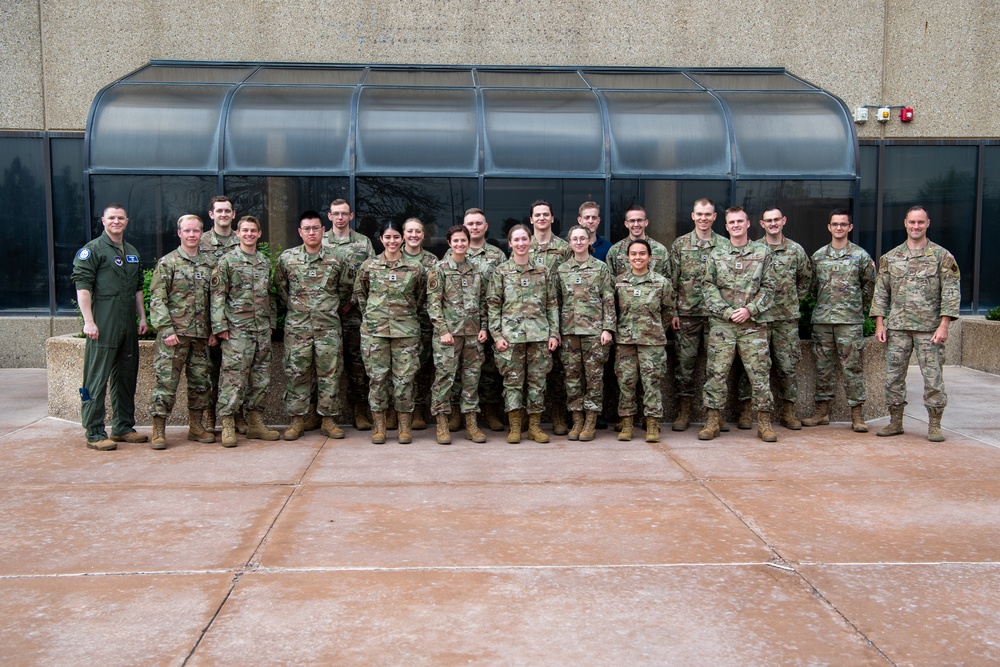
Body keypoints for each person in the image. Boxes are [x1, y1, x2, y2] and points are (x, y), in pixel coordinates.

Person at [871, 205, 961, 441]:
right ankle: (895, 422)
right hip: (897, 328)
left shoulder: (942, 256)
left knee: (933, 378)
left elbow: (950, 292)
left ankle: (934, 424)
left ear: (928, 223)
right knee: (893, 377)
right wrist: (880, 323)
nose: (916, 226)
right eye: (912, 222)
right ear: (905, 223)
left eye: (920, 222)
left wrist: (944, 325)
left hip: (929, 329)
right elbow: (881, 292)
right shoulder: (890, 258)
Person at [72, 203, 149, 450]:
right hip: (103, 322)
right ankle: (94, 432)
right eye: (112, 218)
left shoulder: (132, 251)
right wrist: (89, 321)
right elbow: (83, 288)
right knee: (96, 377)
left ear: (127, 221)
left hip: (127, 323)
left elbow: (138, 289)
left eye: (121, 218)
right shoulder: (92, 250)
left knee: (126, 376)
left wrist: (143, 318)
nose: (117, 221)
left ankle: (123, 427)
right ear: (103, 221)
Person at [699, 206, 778, 442]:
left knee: (760, 375)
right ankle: (712, 420)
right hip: (723, 326)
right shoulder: (717, 254)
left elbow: (770, 287)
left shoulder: (763, 253)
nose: (735, 225)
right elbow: (708, 286)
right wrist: (726, 312)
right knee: (715, 373)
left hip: (752, 325)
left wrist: (749, 310)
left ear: (748, 224)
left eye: (739, 221)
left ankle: (764, 423)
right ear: (726, 226)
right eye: (731, 222)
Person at [274, 210, 351, 441]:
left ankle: (328, 420)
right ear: (300, 232)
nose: (311, 232)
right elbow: (280, 289)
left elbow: (346, 289)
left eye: (315, 228)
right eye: (306, 228)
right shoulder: (287, 259)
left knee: (330, 373)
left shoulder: (337, 258)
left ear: (323, 230)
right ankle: (297, 420)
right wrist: (299, 309)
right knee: (297, 373)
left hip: (328, 327)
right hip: (298, 329)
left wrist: (329, 309)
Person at [735, 206, 811, 430]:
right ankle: (747, 411)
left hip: (785, 319)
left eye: (777, 219)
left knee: (787, 367)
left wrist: (790, 302)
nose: (773, 223)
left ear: (784, 221)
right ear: (762, 224)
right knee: (751, 367)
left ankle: (788, 411)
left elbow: (806, 281)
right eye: (769, 220)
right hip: (757, 319)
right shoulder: (755, 249)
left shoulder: (796, 250)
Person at [147, 214, 218, 449]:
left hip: (201, 337)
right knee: (166, 384)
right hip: (174, 337)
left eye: (196, 231)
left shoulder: (209, 264)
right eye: (187, 231)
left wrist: (214, 330)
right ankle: (158, 429)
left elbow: (215, 300)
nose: (191, 235)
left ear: (202, 233)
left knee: (200, 384)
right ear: (179, 233)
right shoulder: (168, 263)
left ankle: (196, 427)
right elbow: (157, 299)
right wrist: (166, 329)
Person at [354, 220, 427, 444]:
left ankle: (405, 428)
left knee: (404, 380)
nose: (392, 241)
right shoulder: (369, 266)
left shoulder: (416, 268)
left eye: (396, 237)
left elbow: (421, 297)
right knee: (377, 380)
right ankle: (380, 427)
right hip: (375, 333)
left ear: (402, 239)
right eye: (388, 237)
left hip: (406, 332)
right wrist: (373, 318)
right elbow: (361, 294)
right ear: (381, 239)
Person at [803, 209, 876, 432]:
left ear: (850, 227)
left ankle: (857, 414)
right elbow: (812, 288)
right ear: (829, 227)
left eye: (843, 224)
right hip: (823, 321)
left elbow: (869, 286)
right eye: (835, 224)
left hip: (849, 322)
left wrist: (856, 308)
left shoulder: (861, 256)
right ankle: (822, 412)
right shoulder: (818, 257)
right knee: (823, 368)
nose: (838, 228)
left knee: (852, 368)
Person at [487, 224, 560, 444]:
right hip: (511, 338)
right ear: (510, 243)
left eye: (524, 239)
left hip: (539, 337)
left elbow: (552, 305)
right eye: (516, 240)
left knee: (538, 383)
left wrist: (554, 334)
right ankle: (515, 427)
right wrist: (497, 336)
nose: (520, 243)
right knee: (513, 383)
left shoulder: (543, 272)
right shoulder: (501, 272)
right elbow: (493, 306)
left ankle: (535, 427)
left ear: (530, 242)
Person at [211, 216, 279, 447]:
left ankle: (254, 421)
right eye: (245, 230)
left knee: (261, 378)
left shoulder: (264, 262)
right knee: (234, 378)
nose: (249, 234)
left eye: (253, 231)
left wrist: (271, 325)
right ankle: (228, 423)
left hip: (261, 331)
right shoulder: (227, 261)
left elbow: (269, 295)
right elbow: (218, 295)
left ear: (260, 234)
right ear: (237, 233)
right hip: (237, 331)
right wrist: (220, 328)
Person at [669, 198, 729, 431]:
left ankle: (715, 415)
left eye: (708, 214)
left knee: (717, 367)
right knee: (684, 366)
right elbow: (671, 281)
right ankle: (683, 412)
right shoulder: (680, 245)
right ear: (692, 216)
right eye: (699, 214)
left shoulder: (724, 245)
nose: (703, 218)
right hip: (687, 315)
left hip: (717, 317)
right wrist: (673, 311)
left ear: (715, 217)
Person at [427, 225, 489, 445]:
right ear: (449, 243)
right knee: (444, 379)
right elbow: (433, 304)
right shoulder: (440, 269)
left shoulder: (476, 270)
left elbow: (483, 301)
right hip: (449, 336)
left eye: (464, 240)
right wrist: (443, 330)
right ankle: (442, 423)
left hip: (473, 335)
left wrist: (484, 327)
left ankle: (471, 424)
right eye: (456, 241)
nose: (461, 244)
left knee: (472, 380)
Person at [556, 225, 616, 441]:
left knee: (594, 378)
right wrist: (556, 332)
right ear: (570, 243)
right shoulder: (562, 270)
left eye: (583, 238)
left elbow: (609, 299)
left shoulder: (601, 268)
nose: (579, 242)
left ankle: (590, 420)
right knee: (572, 378)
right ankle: (577, 419)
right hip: (569, 332)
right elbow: (556, 302)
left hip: (594, 333)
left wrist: (608, 328)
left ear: (590, 241)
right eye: (575, 239)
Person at [613, 239, 674, 442]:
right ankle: (627, 423)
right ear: (627, 257)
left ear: (650, 257)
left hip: (652, 342)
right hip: (625, 341)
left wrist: (654, 329)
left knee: (652, 383)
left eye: (642, 254)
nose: (637, 257)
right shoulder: (619, 282)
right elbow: (613, 310)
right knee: (626, 382)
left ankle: (653, 424)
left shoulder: (661, 282)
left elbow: (667, 311)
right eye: (633, 254)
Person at [453, 208, 507, 432]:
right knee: (459, 371)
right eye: (470, 224)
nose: (474, 227)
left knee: (490, 370)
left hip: (491, 321)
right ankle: (458, 413)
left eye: (478, 223)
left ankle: (490, 411)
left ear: (486, 227)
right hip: (462, 324)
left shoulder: (497, 256)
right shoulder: (452, 254)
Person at [325, 199, 376, 430]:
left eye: (344, 214)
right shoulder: (321, 241)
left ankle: (359, 411)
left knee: (358, 365)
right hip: (326, 315)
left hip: (355, 315)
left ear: (351, 216)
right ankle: (322, 413)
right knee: (326, 365)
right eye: (336, 214)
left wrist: (352, 301)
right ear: (329, 216)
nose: (340, 218)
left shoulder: (363, 243)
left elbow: (371, 276)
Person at [527, 200, 572, 435]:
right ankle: (529, 419)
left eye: (546, 214)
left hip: (560, 316)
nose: (542, 218)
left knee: (558, 372)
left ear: (552, 218)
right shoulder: (523, 246)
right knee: (532, 371)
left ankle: (557, 416)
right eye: (538, 215)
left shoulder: (565, 249)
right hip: (531, 320)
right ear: (531, 220)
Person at [199, 196, 241, 435]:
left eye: (228, 211)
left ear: (233, 214)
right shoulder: (200, 241)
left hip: (235, 322)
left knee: (235, 373)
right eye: (220, 211)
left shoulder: (242, 239)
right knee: (208, 372)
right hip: (204, 320)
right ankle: (209, 418)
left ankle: (236, 418)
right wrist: (213, 325)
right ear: (211, 214)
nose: (224, 215)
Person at [402, 217, 439, 431]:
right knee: (398, 369)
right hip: (400, 323)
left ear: (423, 235)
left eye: (418, 231)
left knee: (422, 368)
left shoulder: (433, 261)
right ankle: (395, 410)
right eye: (410, 231)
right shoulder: (393, 258)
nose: (414, 235)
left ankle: (417, 410)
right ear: (404, 234)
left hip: (425, 323)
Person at [605, 204, 669, 279]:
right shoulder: (615, 251)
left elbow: (668, 280)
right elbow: (609, 282)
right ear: (626, 224)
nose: (636, 224)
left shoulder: (661, 250)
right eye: (632, 221)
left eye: (639, 220)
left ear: (646, 222)